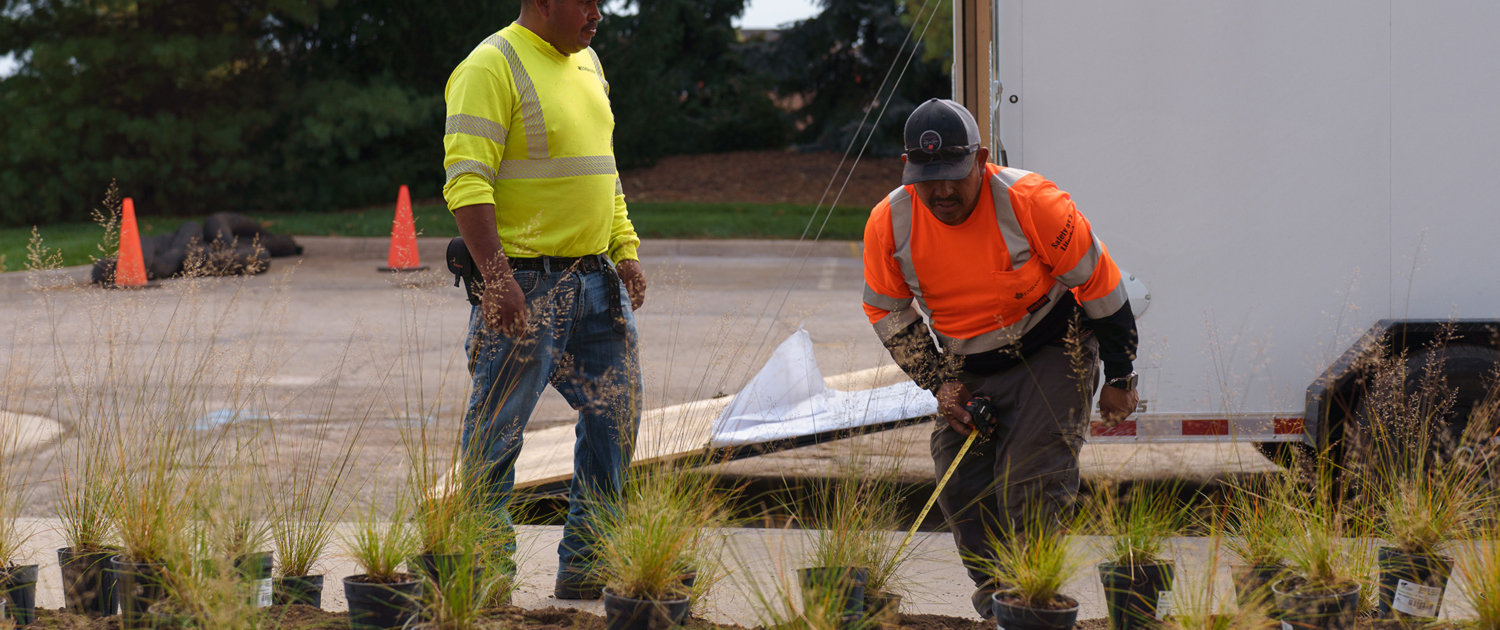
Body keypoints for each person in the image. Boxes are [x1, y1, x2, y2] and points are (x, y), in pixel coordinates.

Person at [861, 99, 1140, 617]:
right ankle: (1000, 600)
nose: (943, 191)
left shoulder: (1031, 202)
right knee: (960, 483)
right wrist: (940, 384)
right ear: (907, 168)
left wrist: (1121, 374)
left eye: (954, 175)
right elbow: (887, 310)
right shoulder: (889, 223)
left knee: (1031, 484)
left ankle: (1031, 604)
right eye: (929, 178)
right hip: (966, 362)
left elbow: (1101, 284)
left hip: (1053, 347)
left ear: (981, 159)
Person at [442, 0, 647, 600]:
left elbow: (602, 171)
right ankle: (486, 576)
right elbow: (466, 180)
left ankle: (589, 562)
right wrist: (497, 277)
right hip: (525, 286)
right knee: (497, 432)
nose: (597, 13)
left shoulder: (588, 64)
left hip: (596, 281)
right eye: (585, 1)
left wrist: (625, 246)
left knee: (617, 417)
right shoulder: (491, 65)